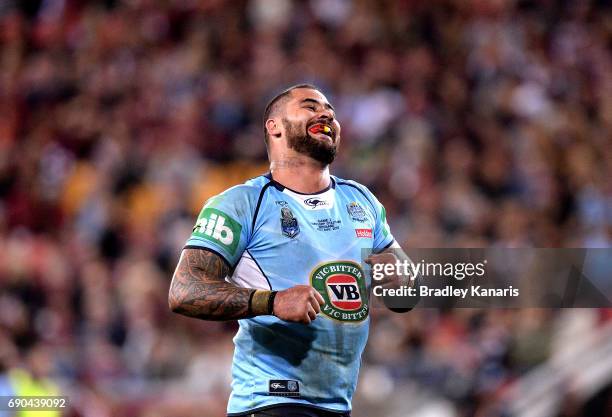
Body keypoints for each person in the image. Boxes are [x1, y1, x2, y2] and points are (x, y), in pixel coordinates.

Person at [168, 84, 413, 417]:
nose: (326, 114)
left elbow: (403, 284)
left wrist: (399, 277)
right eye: (310, 107)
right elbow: (184, 290)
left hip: (337, 405)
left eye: (330, 110)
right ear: (275, 126)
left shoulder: (361, 200)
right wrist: (272, 301)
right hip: (272, 401)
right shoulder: (241, 204)